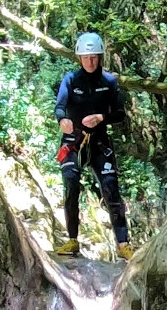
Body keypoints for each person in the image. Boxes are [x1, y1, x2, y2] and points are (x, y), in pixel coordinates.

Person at [52, 32, 132, 259]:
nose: (90, 61)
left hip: (99, 142)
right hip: (74, 141)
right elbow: (60, 107)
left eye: (94, 57)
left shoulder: (109, 82)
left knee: (110, 187)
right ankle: (72, 240)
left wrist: (101, 118)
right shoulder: (71, 80)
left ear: (100, 56)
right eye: (86, 57)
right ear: (79, 58)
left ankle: (123, 243)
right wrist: (63, 120)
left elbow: (119, 114)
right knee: (71, 182)